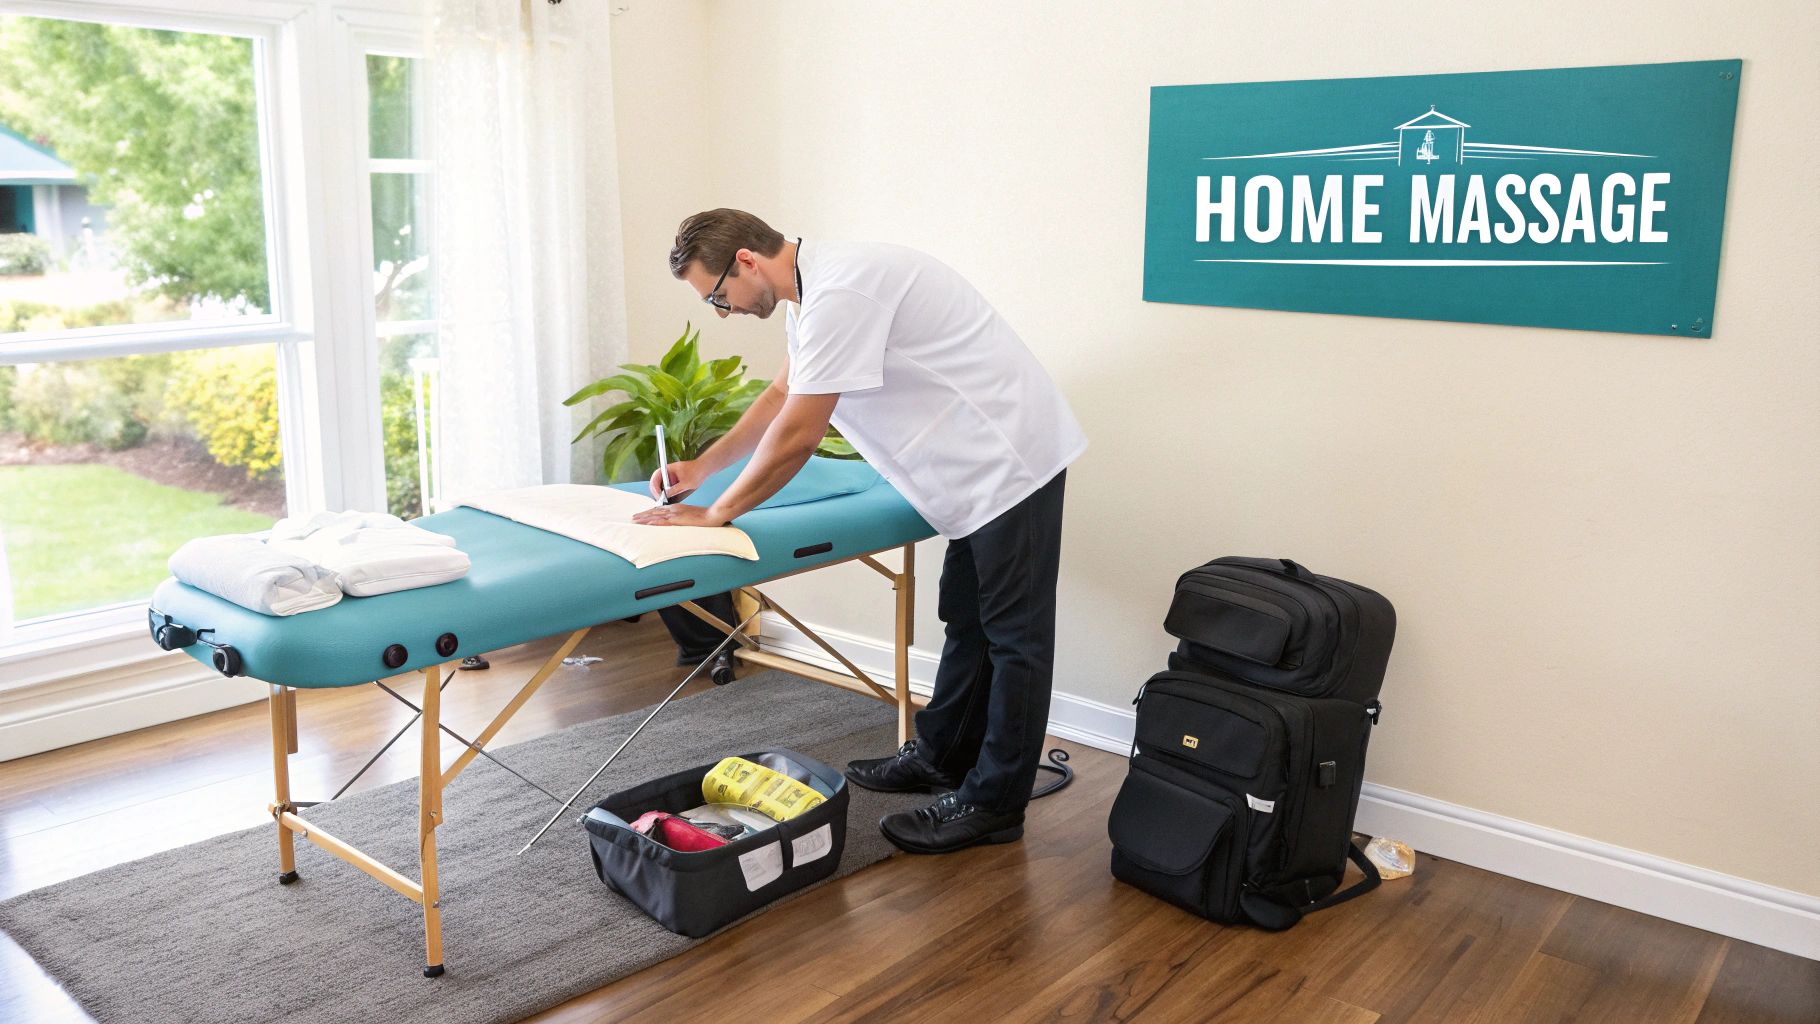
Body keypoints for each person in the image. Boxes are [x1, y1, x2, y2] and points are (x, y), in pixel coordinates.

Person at [635, 209, 1086, 855]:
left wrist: (716, 513)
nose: (721, 310)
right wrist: (703, 469)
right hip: (968, 476)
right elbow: (783, 394)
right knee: (967, 620)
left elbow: (800, 433)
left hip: (1009, 463)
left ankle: (994, 804)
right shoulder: (811, 294)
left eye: (717, 295)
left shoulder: (843, 291)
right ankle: (942, 757)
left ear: (745, 262)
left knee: (1015, 640)